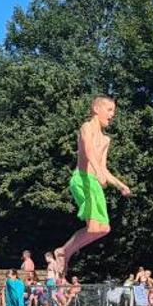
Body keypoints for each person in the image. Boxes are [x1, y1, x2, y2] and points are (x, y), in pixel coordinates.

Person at [53, 96, 132, 277]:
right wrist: (98, 172)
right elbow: (88, 151)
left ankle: (65, 251)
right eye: (109, 110)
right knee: (95, 226)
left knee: (103, 228)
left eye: (114, 111)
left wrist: (120, 185)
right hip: (82, 179)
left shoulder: (106, 140)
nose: (112, 115)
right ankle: (64, 252)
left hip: (94, 183)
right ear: (96, 109)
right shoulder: (86, 127)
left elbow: (104, 168)